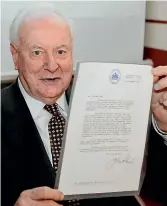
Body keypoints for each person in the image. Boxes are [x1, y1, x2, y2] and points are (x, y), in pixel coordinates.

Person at [1, 3, 167, 206]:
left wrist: (163, 127)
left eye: (61, 51)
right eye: (37, 52)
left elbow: (159, 187)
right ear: (15, 56)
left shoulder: (108, 103)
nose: (52, 65)